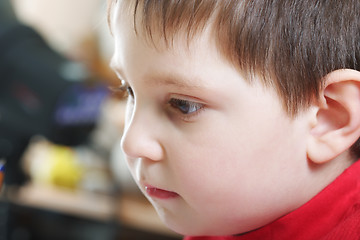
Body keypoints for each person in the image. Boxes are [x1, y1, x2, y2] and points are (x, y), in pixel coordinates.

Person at [108, 0, 360, 239]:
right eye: (127, 90)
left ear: (330, 118)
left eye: (183, 105)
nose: (131, 143)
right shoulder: (224, 221)